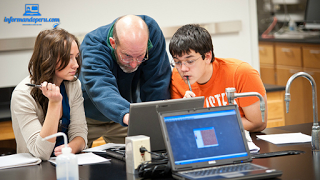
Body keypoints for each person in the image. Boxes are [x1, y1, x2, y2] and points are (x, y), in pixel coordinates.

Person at [79, 15, 171, 146]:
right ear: (113, 43)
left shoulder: (151, 32)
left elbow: (157, 82)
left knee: (143, 155)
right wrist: (128, 114)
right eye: (127, 56)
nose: (134, 64)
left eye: (140, 56)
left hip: (126, 115)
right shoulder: (93, 45)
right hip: (89, 117)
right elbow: (101, 89)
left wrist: (157, 119)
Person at [169, 24, 267, 132]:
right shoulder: (176, 77)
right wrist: (185, 112)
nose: (183, 69)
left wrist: (202, 120)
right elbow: (178, 127)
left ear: (207, 56)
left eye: (190, 61)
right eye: (177, 62)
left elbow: (258, 123)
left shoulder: (241, 73)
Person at [11, 29, 88, 160]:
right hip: (36, 169)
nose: (76, 65)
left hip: (65, 162)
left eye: (76, 57)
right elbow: (41, 152)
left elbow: (80, 134)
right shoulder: (22, 95)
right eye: (68, 58)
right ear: (49, 59)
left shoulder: (73, 85)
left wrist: (69, 148)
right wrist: (55, 103)